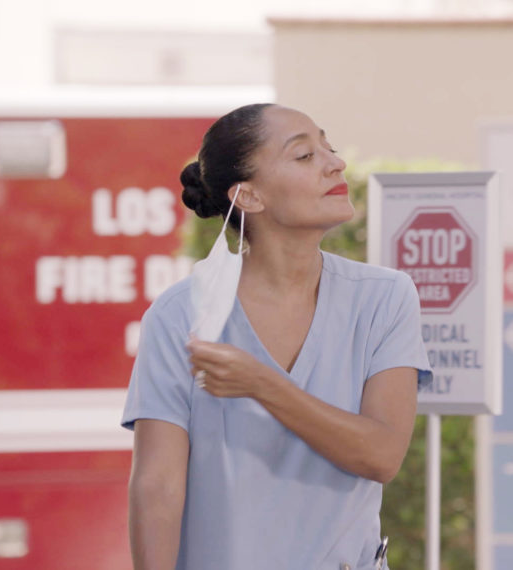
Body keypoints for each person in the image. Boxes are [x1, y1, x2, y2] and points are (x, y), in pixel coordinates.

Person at [121, 103, 431, 569]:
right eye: (304, 155)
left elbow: (382, 455)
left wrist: (261, 383)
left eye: (327, 145)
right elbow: (158, 487)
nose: (335, 162)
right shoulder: (180, 315)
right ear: (248, 196)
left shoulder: (385, 298)